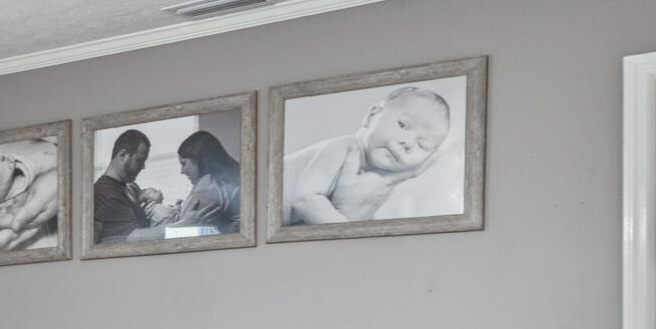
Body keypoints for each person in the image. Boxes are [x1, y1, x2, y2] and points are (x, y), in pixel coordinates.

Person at [279, 84, 455, 223]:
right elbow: (305, 201)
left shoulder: (378, 182)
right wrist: (347, 234)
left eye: (422, 145)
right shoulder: (341, 149)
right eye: (402, 125)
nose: (407, 142)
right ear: (371, 116)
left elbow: (362, 214)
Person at [89, 130, 157, 246]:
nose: (143, 167)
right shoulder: (107, 194)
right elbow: (141, 240)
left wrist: (141, 200)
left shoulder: (128, 188)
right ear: (123, 155)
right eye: (139, 160)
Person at [166, 129, 241, 233]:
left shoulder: (205, 190)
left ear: (199, 159)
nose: (182, 171)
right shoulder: (230, 179)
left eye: (184, 163)